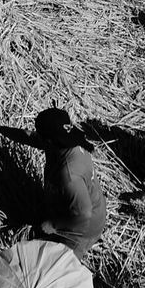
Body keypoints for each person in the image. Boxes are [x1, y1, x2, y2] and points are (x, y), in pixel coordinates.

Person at [34, 108, 107, 259]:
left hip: (81, 229)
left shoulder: (69, 175)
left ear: (48, 140)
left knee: (57, 265)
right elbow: (30, 137)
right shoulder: (68, 139)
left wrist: (54, 225)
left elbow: (83, 213)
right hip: (77, 205)